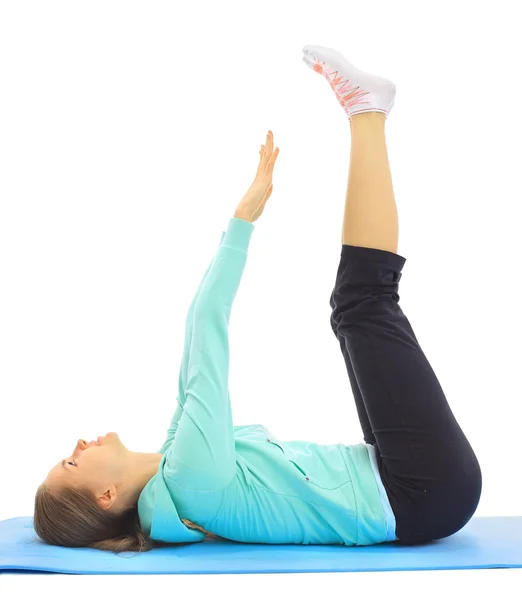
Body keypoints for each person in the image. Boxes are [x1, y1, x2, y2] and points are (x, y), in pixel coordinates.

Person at [34, 45, 482, 553]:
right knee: (363, 302)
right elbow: (207, 333)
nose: (77, 446)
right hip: (419, 491)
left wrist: (239, 225)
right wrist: (241, 223)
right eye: (72, 463)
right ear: (107, 496)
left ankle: (368, 111)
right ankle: (366, 110)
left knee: (352, 308)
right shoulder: (189, 481)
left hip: (406, 482)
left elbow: (191, 364)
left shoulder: (177, 468)